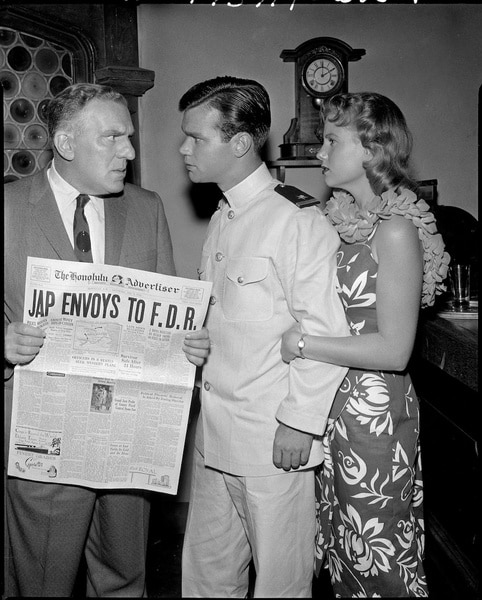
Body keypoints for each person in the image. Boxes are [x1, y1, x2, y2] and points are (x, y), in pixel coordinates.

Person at [4, 82, 210, 597]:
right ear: (67, 145)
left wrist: (189, 347)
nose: (131, 152)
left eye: (130, 137)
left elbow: (168, 317)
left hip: (131, 436)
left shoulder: (146, 207)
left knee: (124, 579)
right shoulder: (6, 208)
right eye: (114, 138)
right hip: (41, 434)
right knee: (40, 582)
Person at [178, 75, 350, 598]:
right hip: (215, 436)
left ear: (240, 142)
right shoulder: (224, 217)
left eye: (195, 137)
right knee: (207, 576)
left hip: (273, 441)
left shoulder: (296, 220)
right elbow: (233, 321)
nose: (184, 150)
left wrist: (299, 424)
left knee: (281, 582)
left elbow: (325, 333)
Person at [281, 92, 450, 597]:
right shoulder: (343, 221)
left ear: (373, 149)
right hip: (332, 404)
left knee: (379, 554)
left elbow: (394, 351)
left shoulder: (397, 230)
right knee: (341, 551)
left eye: (333, 140)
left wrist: (306, 344)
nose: (320, 152)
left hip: (375, 414)